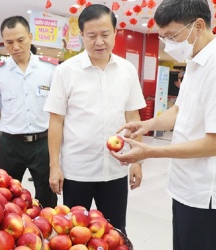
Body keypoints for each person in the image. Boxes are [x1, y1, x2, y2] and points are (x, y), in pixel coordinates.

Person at [110, 0, 216, 249]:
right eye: (163, 37)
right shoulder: (197, 62)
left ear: (198, 25)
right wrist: (146, 124)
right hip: (185, 185)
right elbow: (178, 110)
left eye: (172, 36)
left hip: (204, 191)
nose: (168, 44)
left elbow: (215, 144)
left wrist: (150, 152)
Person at [43, 4, 146, 233]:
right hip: (77, 170)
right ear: (81, 36)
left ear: (115, 33)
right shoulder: (66, 71)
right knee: (75, 234)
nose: (99, 41)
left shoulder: (127, 70)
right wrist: (54, 166)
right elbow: (56, 121)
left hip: (115, 168)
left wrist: (137, 160)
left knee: (115, 232)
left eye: (105, 34)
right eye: (91, 36)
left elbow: (133, 116)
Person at [0, 16, 58, 208]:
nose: (15, 47)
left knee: (47, 197)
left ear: (30, 37)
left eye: (20, 40)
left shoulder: (50, 70)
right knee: (5, 198)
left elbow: (59, 113)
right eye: (9, 42)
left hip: (44, 144)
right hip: (10, 145)